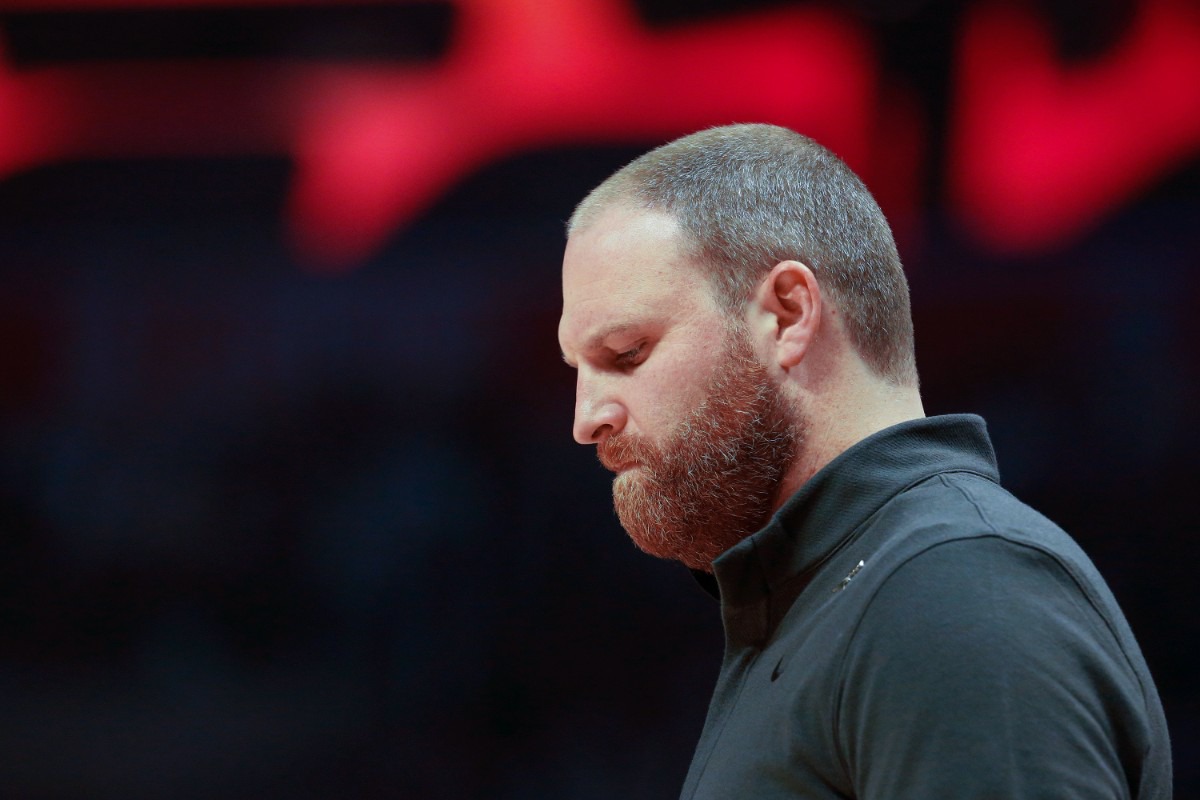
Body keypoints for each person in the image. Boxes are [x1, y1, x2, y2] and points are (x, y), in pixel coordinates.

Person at [557, 124, 1171, 799]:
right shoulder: (839, 597)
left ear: (788, 315)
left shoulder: (954, 590)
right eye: (577, 370)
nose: (588, 420)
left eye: (626, 353)